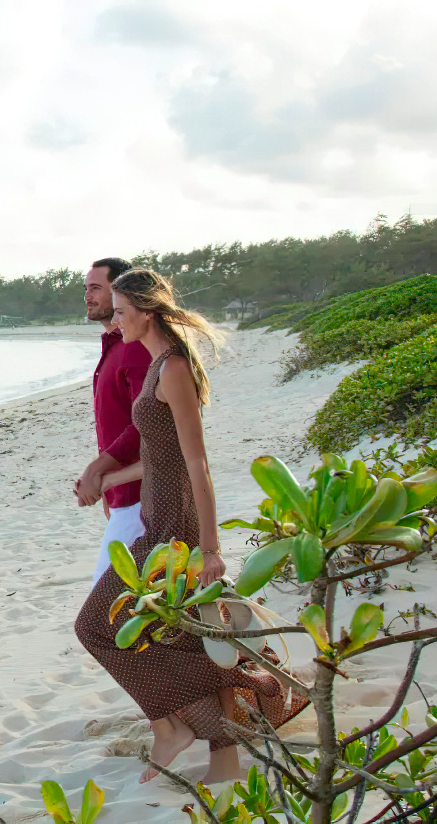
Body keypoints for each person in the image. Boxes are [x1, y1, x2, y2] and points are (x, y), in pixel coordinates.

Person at [72, 269, 306, 784]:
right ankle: (223, 754)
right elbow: (160, 457)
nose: (115, 321)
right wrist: (108, 479)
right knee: (188, 639)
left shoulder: (173, 368)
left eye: (121, 311)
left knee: (95, 627)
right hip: (154, 517)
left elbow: (197, 465)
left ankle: (198, 713)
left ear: (145, 311)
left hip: (174, 525)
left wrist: (210, 548)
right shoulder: (156, 364)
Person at [75, 258, 151, 587]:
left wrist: (97, 470)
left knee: (104, 599)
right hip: (123, 496)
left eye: (96, 288)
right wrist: (105, 483)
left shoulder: (135, 349)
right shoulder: (113, 347)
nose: (87, 296)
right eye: (86, 288)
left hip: (141, 498)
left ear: (121, 292)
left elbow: (146, 424)